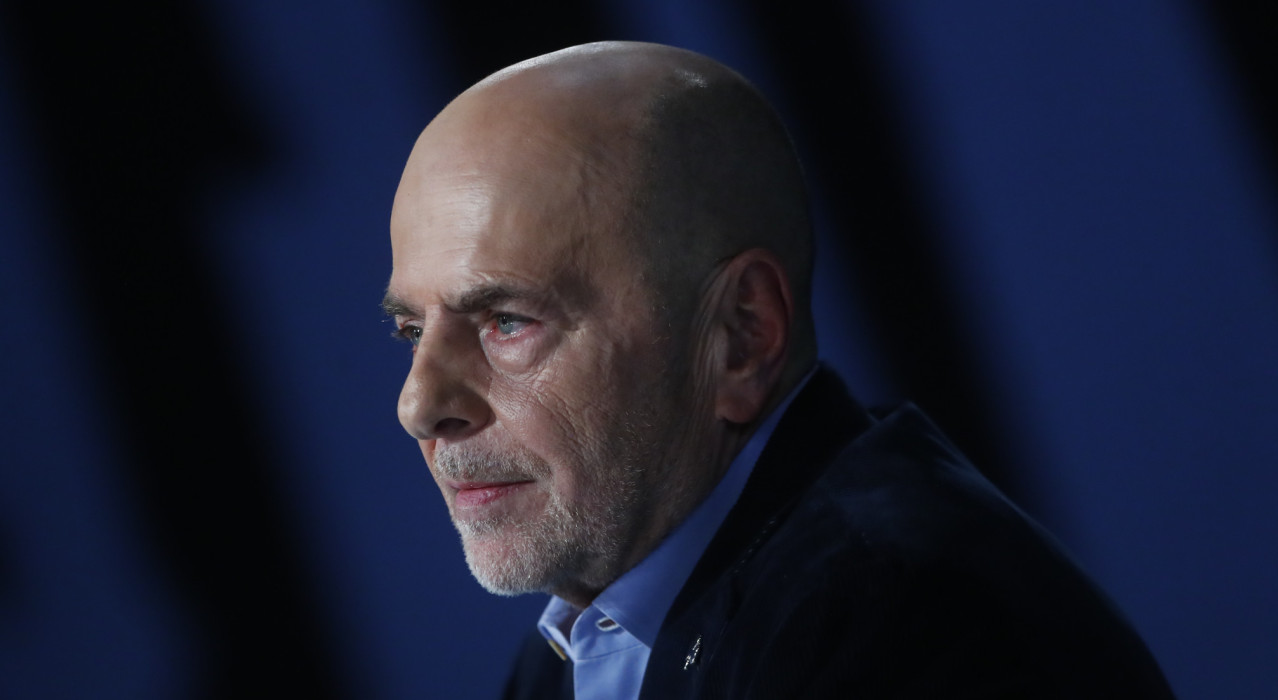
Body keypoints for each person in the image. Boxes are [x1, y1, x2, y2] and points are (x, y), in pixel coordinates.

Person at [383, 41, 1173, 699]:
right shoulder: (572, 652)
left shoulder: (907, 628)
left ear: (741, 334)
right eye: (413, 330)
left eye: (506, 321)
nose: (420, 403)